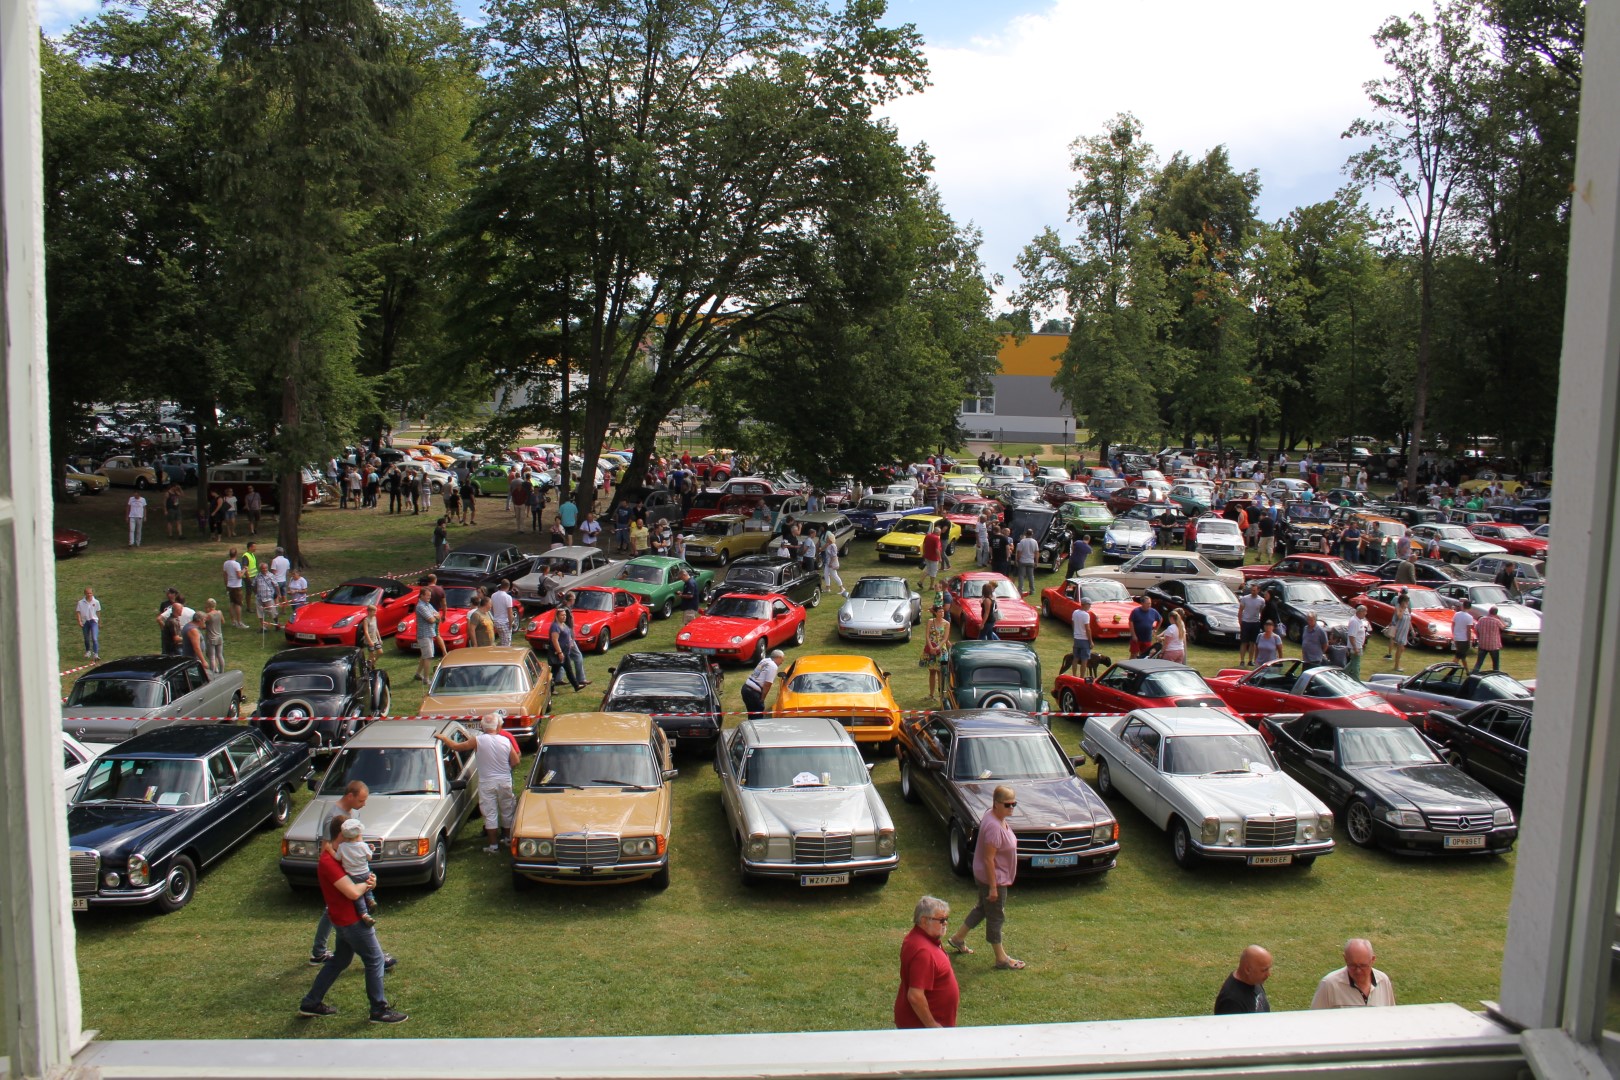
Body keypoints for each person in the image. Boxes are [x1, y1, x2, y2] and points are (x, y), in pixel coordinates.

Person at [297, 816, 406, 1024]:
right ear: (343, 834)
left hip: (342, 920)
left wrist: (370, 881)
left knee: (340, 960)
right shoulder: (329, 863)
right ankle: (378, 1010)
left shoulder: (339, 857)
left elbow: (359, 874)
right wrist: (367, 885)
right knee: (375, 960)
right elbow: (352, 892)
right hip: (352, 921)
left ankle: (311, 1003)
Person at [945, 784, 1024, 970]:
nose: (1011, 807)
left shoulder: (992, 814)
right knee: (996, 916)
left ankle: (957, 938)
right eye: (1007, 804)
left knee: (982, 908)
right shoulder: (994, 828)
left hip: (985, 876)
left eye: (1014, 803)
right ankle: (1001, 958)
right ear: (996, 804)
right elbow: (989, 860)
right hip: (993, 878)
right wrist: (994, 887)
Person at [436, 716, 521, 853]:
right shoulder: (505, 740)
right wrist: (506, 769)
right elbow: (516, 761)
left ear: (482, 727)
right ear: (497, 726)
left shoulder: (478, 740)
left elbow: (456, 747)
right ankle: (507, 838)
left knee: (490, 812)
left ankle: (493, 846)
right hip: (504, 779)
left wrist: (444, 738)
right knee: (507, 808)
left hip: (487, 781)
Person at [895, 896, 959, 1029]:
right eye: (941, 920)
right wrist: (932, 1026)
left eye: (946, 919)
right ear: (924, 921)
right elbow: (915, 995)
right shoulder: (924, 952)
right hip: (923, 1030)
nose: (945, 923)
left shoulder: (919, 938)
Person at [1310, 938, 1396, 1008]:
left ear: (1372, 960)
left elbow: (1390, 1017)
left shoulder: (1383, 981)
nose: (1358, 971)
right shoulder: (1329, 985)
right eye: (1353, 965)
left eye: (1363, 966)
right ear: (1345, 959)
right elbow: (1315, 1020)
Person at [335, 817, 378, 926]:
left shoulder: (342, 847)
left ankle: (364, 914)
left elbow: (338, 858)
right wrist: (370, 850)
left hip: (352, 876)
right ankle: (371, 900)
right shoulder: (363, 846)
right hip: (365, 872)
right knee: (367, 887)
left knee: (358, 895)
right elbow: (369, 858)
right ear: (359, 834)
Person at [1213, 945, 1273, 1015]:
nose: (1268, 974)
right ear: (1247, 970)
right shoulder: (1231, 1002)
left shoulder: (1253, 980)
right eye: (1264, 970)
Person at [547, 608, 586, 691]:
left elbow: (567, 635)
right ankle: (550, 689)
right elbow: (555, 640)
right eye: (562, 615)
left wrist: (570, 642)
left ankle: (576, 686)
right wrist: (559, 652)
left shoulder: (563, 625)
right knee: (554, 672)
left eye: (565, 615)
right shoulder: (555, 626)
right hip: (557, 653)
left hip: (565, 652)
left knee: (569, 670)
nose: (564, 617)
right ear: (557, 616)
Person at [741, 648, 784, 720]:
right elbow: (767, 684)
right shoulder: (773, 666)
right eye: (782, 659)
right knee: (757, 716)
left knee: (751, 714)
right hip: (753, 692)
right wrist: (762, 699)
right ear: (778, 657)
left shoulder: (765, 660)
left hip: (745, 688)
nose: (782, 662)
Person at [921, 602, 951, 702]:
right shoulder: (930, 621)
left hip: (941, 650)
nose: (942, 613)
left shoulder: (946, 623)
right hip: (931, 649)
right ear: (935, 613)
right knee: (932, 672)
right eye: (940, 611)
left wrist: (937, 647)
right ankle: (931, 694)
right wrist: (930, 647)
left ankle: (941, 694)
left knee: (941, 673)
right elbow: (927, 636)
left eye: (943, 611)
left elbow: (945, 638)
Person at [412, 592, 438, 683]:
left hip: (429, 633)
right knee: (428, 656)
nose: (429, 597)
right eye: (427, 595)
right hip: (424, 635)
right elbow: (431, 620)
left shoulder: (428, 605)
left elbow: (437, 614)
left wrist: (434, 616)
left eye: (430, 595)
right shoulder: (421, 606)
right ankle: (426, 679)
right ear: (422, 595)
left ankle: (418, 674)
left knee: (424, 655)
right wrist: (434, 617)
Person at [1238, 583, 1266, 666]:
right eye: (1252, 590)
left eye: (1254, 590)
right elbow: (1240, 611)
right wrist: (1240, 621)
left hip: (1255, 623)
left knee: (1253, 643)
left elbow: (1262, 611)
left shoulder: (1261, 600)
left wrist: (1260, 621)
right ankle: (1242, 660)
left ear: (1258, 590)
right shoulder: (1245, 599)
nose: (1253, 592)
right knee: (1244, 642)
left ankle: (1250, 660)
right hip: (1246, 622)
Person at [1385, 591, 1413, 671]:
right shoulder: (1398, 608)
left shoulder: (1407, 609)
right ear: (1403, 601)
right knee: (1400, 648)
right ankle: (1396, 666)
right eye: (1406, 601)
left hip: (1405, 631)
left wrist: (1412, 630)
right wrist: (1403, 609)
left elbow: (1409, 620)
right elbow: (1400, 617)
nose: (1407, 603)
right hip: (1399, 630)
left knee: (1402, 649)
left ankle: (1397, 661)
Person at [1473, 605, 1505, 672]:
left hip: (1482, 644)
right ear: (1496, 613)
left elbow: (1476, 629)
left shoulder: (1481, 619)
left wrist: (1479, 637)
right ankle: (1496, 674)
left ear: (1489, 612)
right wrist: (1500, 619)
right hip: (1493, 645)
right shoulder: (1497, 621)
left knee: (1479, 662)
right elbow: (1503, 627)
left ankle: (1474, 673)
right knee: (1495, 663)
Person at [1128, 595, 1160, 659]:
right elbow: (1130, 622)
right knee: (1134, 654)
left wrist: (1156, 629)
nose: (1149, 605)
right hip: (1137, 637)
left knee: (1145, 654)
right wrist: (1133, 635)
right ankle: (1130, 667)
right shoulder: (1136, 611)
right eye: (1147, 603)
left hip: (1147, 638)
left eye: (1150, 603)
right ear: (1142, 603)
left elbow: (1160, 619)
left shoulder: (1153, 612)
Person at [75, 586, 101, 660]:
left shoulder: (96, 602)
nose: (89, 594)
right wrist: (79, 621)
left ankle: (96, 654)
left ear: (92, 593)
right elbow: (78, 612)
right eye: (87, 593)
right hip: (85, 621)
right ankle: (88, 651)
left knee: (94, 638)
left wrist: (99, 622)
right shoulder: (80, 602)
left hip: (93, 621)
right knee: (86, 638)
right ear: (85, 593)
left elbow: (98, 612)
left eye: (90, 593)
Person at [1345, 605, 1369, 681]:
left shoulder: (1358, 620)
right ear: (1360, 611)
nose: (1366, 613)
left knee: (1353, 662)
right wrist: (1355, 647)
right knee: (1356, 663)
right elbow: (1351, 636)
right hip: (1355, 646)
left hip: (1358, 645)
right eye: (1365, 611)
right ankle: (1357, 679)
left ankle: (1343, 673)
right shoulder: (1354, 621)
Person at [1450, 598, 1476, 666]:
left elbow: (1453, 625)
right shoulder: (1469, 617)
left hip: (1456, 637)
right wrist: (1469, 640)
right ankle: (1452, 667)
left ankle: (1467, 670)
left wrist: (1454, 634)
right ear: (1470, 607)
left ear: (1462, 606)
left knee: (1462, 656)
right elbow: (1468, 630)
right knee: (1459, 656)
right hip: (1463, 639)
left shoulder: (1456, 614)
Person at [1014, 528, 1039, 596]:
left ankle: (1020, 590)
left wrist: (1017, 560)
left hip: (1023, 561)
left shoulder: (1022, 541)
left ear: (1026, 534)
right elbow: (1036, 552)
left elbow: (1019, 552)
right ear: (1032, 534)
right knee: (1031, 576)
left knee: (1021, 576)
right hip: (1031, 561)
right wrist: (1036, 562)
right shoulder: (1034, 542)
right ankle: (1032, 590)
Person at [490, 580, 516, 646]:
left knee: (502, 640)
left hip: (496, 622)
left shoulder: (493, 595)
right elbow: (510, 612)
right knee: (506, 644)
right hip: (504, 623)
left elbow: (492, 609)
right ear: (508, 587)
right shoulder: (508, 597)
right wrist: (510, 625)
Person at [920, 524, 943, 594]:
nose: (940, 534)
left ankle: (920, 581)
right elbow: (937, 549)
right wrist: (940, 558)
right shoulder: (936, 538)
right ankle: (931, 586)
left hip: (927, 556)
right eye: (940, 532)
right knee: (933, 572)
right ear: (937, 532)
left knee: (928, 569)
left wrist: (924, 553)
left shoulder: (928, 536)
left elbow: (924, 545)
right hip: (933, 557)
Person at [203, 600, 225, 673]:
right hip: (219, 636)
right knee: (220, 655)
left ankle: (212, 672)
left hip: (211, 637)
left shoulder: (208, 615)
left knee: (212, 657)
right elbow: (223, 621)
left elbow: (202, 625)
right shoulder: (219, 612)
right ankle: (222, 671)